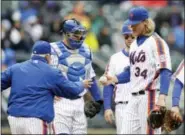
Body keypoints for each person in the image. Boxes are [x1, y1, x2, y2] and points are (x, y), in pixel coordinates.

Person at [100, 7, 172, 134]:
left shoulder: (156, 41)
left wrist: (162, 97)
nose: (132, 27)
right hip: (133, 98)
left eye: (135, 24)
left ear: (145, 22)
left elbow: (165, 70)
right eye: (131, 24)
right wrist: (115, 79)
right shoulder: (133, 45)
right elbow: (131, 71)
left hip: (149, 95)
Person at [1, 41, 92, 134]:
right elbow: (71, 90)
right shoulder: (51, 72)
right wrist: (81, 84)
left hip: (14, 119)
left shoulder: (15, 68)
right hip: (36, 119)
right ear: (47, 56)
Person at [50, 19, 103, 134]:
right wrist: (47, 93)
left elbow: (90, 77)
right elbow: (43, 75)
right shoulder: (53, 49)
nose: (79, 37)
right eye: (76, 34)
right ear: (66, 33)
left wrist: (98, 100)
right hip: (60, 102)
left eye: (81, 34)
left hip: (80, 102)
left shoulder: (86, 49)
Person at [102, 21, 135, 134]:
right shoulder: (115, 58)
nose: (129, 39)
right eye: (126, 36)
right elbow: (108, 84)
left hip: (141, 104)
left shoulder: (145, 56)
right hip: (122, 106)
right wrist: (107, 107)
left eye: (132, 36)